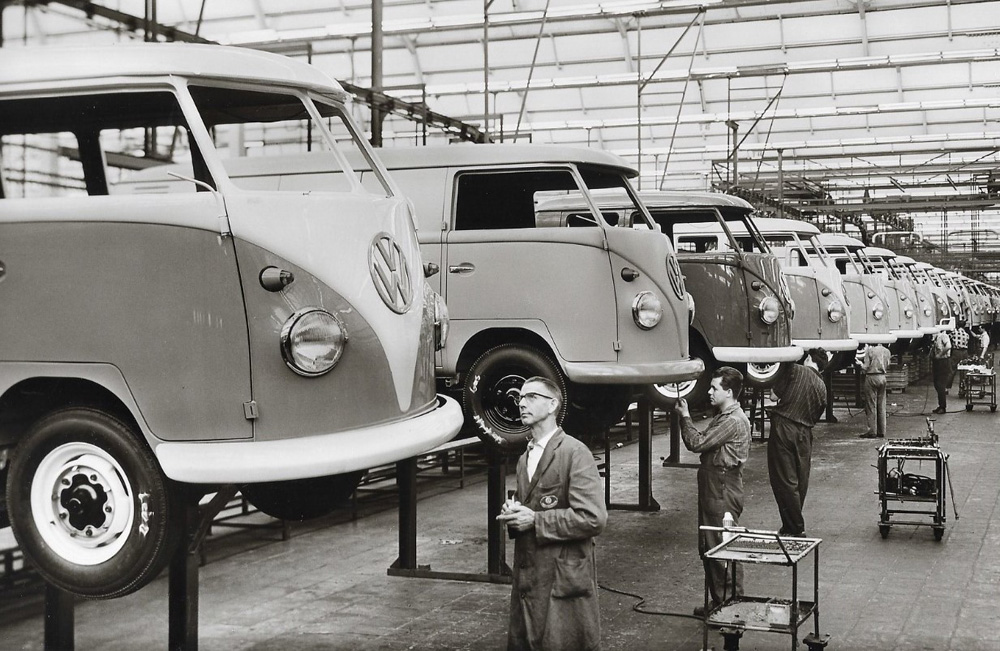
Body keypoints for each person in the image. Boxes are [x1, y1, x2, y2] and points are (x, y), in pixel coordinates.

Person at [498, 376, 607, 651]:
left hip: (561, 579)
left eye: (531, 397)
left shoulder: (574, 453)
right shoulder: (525, 458)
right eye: (520, 397)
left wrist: (535, 520)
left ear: (552, 405)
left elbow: (593, 517)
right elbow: (532, 509)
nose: (521, 403)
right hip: (529, 578)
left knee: (561, 641)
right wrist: (515, 513)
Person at [674, 366, 751, 615]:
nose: (709, 391)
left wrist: (685, 416)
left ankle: (730, 605)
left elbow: (696, 442)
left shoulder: (732, 421)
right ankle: (722, 601)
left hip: (722, 486)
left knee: (721, 545)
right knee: (711, 543)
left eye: (714, 388)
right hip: (715, 483)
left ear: (728, 392)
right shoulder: (724, 416)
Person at [767, 359, 827, 537]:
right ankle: (790, 525)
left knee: (784, 479)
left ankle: (795, 528)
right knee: (800, 480)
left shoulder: (795, 370)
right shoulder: (822, 386)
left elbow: (773, 397)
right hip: (805, 434)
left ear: (809, 358)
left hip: (784, 427)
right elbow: (817, 415)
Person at [859, 343, 891, 438]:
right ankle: (882, 431)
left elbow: (866, 367)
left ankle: (872, 431)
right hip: (882, 377)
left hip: (872, 377)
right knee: (881, 405)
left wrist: (859, 364)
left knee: (871, 405)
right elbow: (888, 364)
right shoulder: (887, 351)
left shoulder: (870, 351)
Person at [930, 330, 952, 414]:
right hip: (937, 362)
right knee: (937, 384)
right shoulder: (935, 338)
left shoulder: (943, 336)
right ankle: (940, 405)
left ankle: (943, 406)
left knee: (940, 384)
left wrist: (940, 354)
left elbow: (948, 346)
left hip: (943, 361)